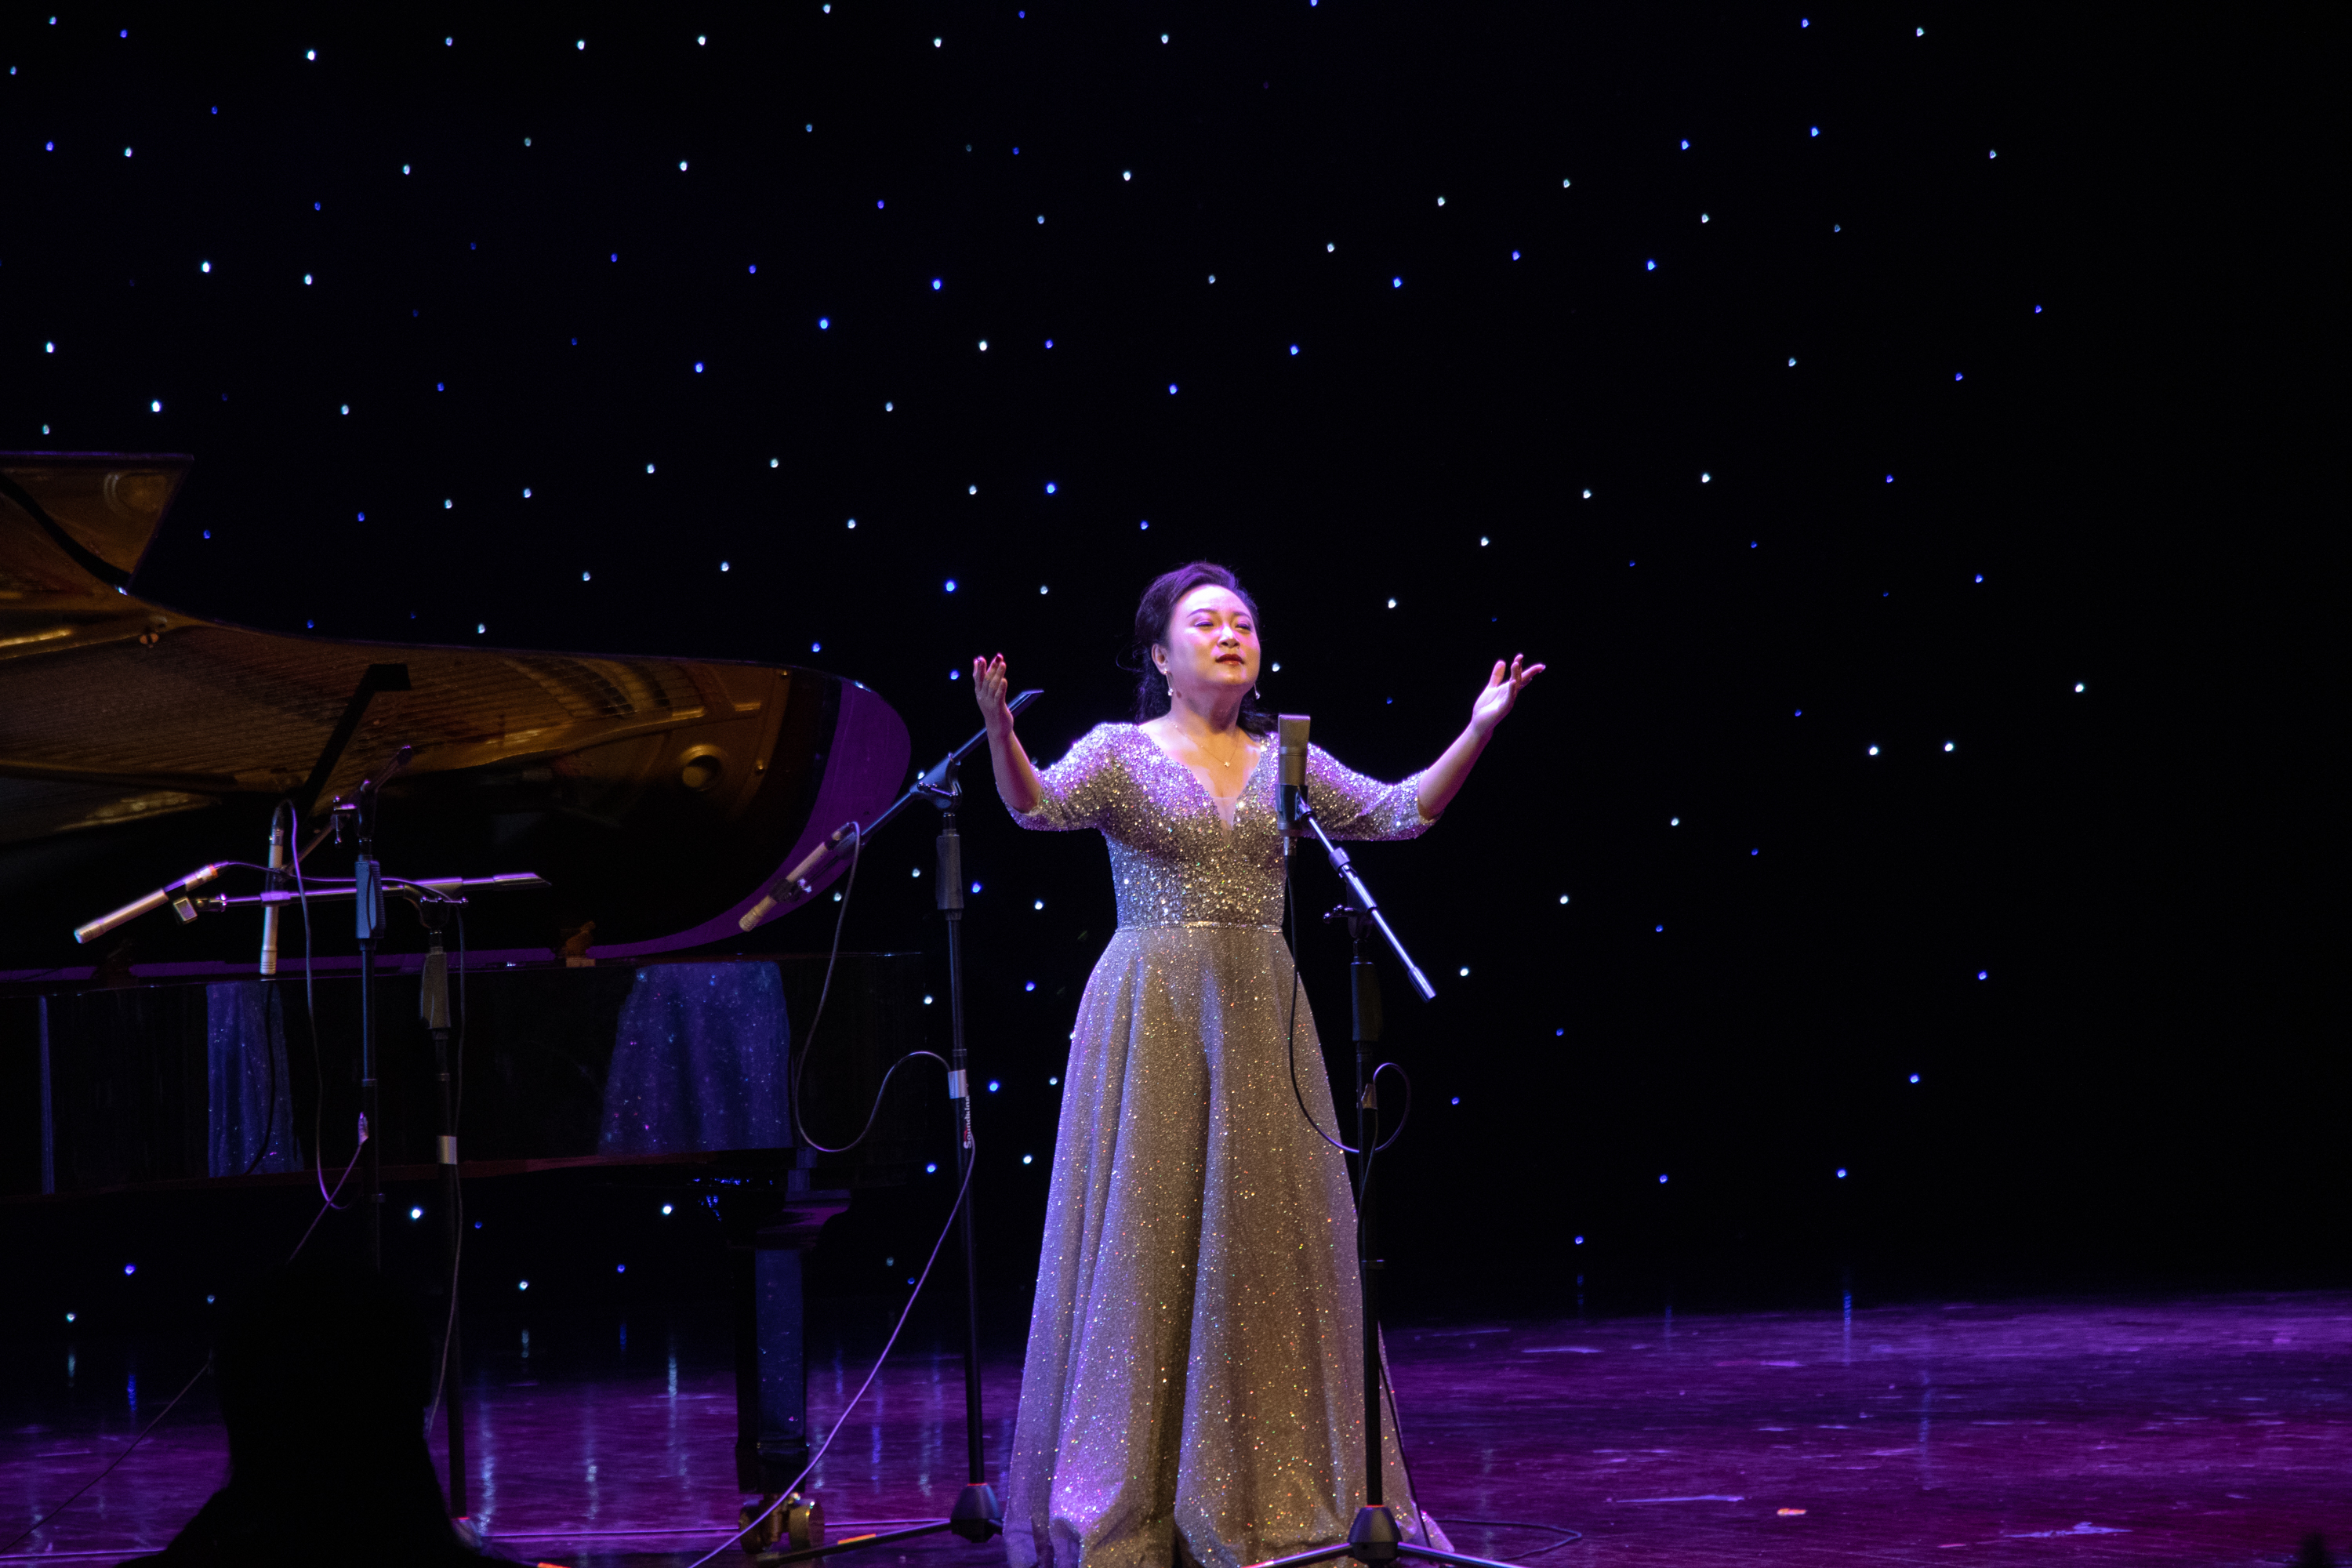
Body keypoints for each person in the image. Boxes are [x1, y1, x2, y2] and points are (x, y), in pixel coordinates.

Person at [974, 562, 1541, 1568]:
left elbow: (1402, 811)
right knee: (1147, 1239)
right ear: (1160, 655)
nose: (1231, 633)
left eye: (1242, 620)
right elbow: (1035, 806)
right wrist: (999, 731)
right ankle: (1135, 1493)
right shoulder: (1118, 751)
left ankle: (1263, 1484)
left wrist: (1479, 727)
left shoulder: (1289, 758)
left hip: (1261, 1012)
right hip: (1152, 1008)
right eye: (1206, 622)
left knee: (1266, 1240)